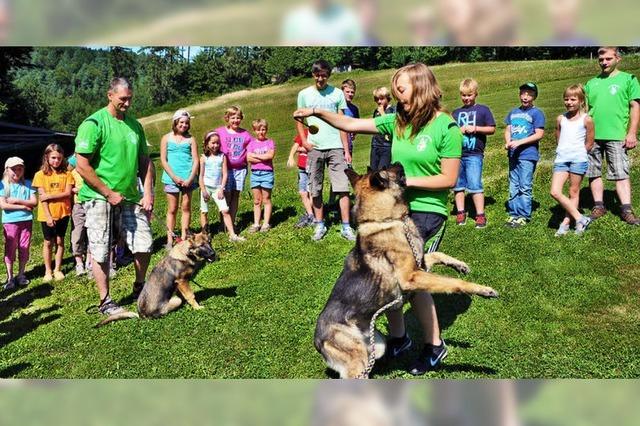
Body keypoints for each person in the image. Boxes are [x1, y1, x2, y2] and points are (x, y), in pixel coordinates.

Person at [294, 62, 463, 375]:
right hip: (394, 210)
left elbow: (449, 178)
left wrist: (406, 182)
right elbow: (351, 125)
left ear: (421, 88)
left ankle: (435, 346)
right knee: (386, 275)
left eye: (402, 89)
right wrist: (317, 112)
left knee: (414, 280)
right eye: (395, 89)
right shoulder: (397, 121)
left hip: (427, 211)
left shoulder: (446, 127)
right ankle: (399, 339)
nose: (398, 96)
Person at [75, 77, 154, 316]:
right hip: (99, 197)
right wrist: (108, 193)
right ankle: (105, 300)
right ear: (110, 95)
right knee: (100, 249)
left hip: (131, 196)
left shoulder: (134, 125)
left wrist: (148, 192)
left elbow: (145, 161)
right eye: (123, 99)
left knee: (145, 244)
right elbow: (82, 165)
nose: (127, 103)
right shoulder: (94, 123)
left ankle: (139, 287)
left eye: (130, 98)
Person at [296, 59, 355, 242]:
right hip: (315, 147)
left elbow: (342, 123)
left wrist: (346, 150)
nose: (320, 78)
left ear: (328, 75)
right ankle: (320, 224)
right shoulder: (304, 94)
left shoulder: (337, 94)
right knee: (315, 188)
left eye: (323, 75)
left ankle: (346, 227)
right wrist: (305, 142)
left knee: (342, 188)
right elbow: (298, 119)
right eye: (317, 75)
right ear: (313, 75)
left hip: (336, 146)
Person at [584, 46, 640, 225]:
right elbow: (585, 111)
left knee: (620, 173)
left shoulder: (628, 79)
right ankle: (599, 206)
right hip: (593, 136)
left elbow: (635, 107)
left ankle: (626, 209)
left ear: (618, 59)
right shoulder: (591, 83)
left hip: (617, 135)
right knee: (593, 172)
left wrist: (631, 133)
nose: (604, 63)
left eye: (608, 59)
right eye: (601, 60)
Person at [550, 84, 595, 236]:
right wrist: (563, 150)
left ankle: (566, 223)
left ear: (581, 101)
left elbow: (589, 142)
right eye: (566, 99)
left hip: (578, 159)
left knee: (573, 192)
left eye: (573, 99)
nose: (569, 102)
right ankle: (580, 218)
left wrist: (580, 153)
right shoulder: (561, 118)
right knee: (555, 192)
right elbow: (558, 136)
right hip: (562, 159)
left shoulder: (586, 119)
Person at [452, 78, 496, 228]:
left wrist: (475, 128)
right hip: (457, 155)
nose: (466, 98)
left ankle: (480, 215)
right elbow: (450, 133)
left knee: (475, 184)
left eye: (469, 95)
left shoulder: (483, 110)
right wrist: (459, 130)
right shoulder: (456, 113)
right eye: (463, 95)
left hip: (474, 154)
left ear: (475, 94)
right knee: (458, 185)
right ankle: (460, 212)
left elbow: (492, 129)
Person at [504, 82, 545, 228]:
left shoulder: (536, 113)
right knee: (513, 184)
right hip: (513, 154)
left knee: (524, 185)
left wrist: (520, 142)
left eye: (530, 94)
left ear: (534, 97)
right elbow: (508, 130)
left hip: (528, 155)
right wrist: (508, 141)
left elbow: (539, 134)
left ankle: (523, 215)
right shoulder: (513, 112)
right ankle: (513, 213)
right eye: (523, 93)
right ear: (519, 95)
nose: (526, 97)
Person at [32, 143, 74, 282]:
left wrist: (50, 196)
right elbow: (42, 199)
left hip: (63, 212)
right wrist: (49, 216)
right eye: (53, 158)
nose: (56, 161)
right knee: (48, 242)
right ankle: (48, 271)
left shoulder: (67, 174)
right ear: (47, 158)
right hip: (47, 215)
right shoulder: (40, 175)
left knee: (60, 241)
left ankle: (57, 269)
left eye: (59, 158)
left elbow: (67, 193)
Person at [160, 109, 199, 249]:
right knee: (172, 208)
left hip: (188, 178)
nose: (184, 125)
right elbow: (163, 161)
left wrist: (191, 178)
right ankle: (170, 238)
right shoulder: (166, 138)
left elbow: (195, 160)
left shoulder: (191, 139)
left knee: (186, 207)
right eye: (181, 122)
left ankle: (184, 236)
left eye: (187, 123)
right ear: (175, 122)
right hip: (171, 179)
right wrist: (174, 177)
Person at [199, 130, 245, 242]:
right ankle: (205, 234)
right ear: (206, 144)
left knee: (225, 210)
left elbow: (225, 174)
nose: (215, 145)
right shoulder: (204, 158)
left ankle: (232, 235)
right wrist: (203, 190)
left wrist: (221, 188)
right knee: (204, 211)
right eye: (212, 143)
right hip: (206, 188)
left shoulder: (222, 156)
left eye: (217, 143)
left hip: (218, 189)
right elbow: (200, 176)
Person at [0, 157, 36, 289]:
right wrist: (24, 207)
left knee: (24, 247)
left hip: (26, 221)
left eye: (20, 168)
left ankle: (21, 274)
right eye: (13, 169)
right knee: (10, 248)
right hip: (10, 222)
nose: (17, 171)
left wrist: (16, 201)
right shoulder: (3, 185)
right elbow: (3, 205)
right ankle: (9, 277)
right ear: (7, 170)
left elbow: (34, 202)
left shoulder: (27, 183)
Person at [216, 106, 252, 228]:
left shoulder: (245, 134)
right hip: (225, 170)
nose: (235, 120)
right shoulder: (220, 132)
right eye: (232, 118)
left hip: (240, 169)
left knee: (235, 195)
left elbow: (251, 149)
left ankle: (231, 221)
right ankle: (223, 223)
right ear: (227, 118)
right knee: (226, 195)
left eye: (238, 118)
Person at [246, 119, 276, 233]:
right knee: (257, 200)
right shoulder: (251, 144)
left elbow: (270, 156)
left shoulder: (270, 142)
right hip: (255, 174)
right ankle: (256, 223)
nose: (261, 132)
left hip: (267, 173)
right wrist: (263, 156)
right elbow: (248, 158)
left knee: (266, 199)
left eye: (263, 129)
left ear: (266, 130)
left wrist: (256, 156)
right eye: (258, 130)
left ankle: (266, 223)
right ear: (254, 131)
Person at [67, 154, 92, 276]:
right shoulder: (72, 172)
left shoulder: (93, 168)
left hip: (93, 203)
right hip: (78, 204)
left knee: (92, 232)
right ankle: (78, 262)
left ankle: (89, 261)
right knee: (78, 232)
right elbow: (68, 187)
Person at [287, 128, 315, 228]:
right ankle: (310, 214)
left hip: (312, 166)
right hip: (302, 167)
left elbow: (315, 148)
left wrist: (302, 148)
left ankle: (311, 215)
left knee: (311, 192)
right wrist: (291, 156)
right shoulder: (304, 132)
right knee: (302, 192)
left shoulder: (317, 133)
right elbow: (295, 146)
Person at [369, 87, 396, 171]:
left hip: (386, 146)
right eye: (377, 99)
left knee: (382, 171)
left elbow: (390, 125)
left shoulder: (392, 110)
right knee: (373, 171)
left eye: (381, 99)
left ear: (387, 98)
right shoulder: (376, 111)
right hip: (375, 144)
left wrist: (382, 113)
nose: (379, 102)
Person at [341, 79, 360, 157]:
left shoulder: (354, 109)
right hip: (337, 145)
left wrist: (353, 134)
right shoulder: (336, 107)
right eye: (347, 92)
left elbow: (358, 126)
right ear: (342, 92)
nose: (350, 94)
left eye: (352, 92)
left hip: (348, 144)